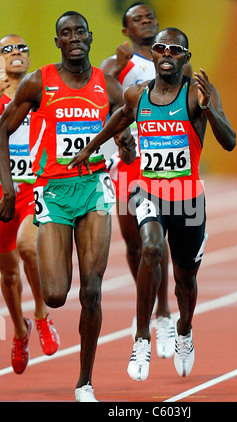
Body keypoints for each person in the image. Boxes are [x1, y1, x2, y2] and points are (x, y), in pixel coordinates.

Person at [68, 27, 236, 381]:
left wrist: (210, 110)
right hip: (149, 192)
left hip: (189, 200)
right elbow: (120, 117)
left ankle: (185, 329)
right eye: (161, 48)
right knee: (153, 248)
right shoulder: (137, 95)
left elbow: (231, 141)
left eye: (175, 50)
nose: (166, 54)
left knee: (185, 280)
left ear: (185, 59)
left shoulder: (196, 95)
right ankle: (142, 337)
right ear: (154, 55)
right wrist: (91, 146)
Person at [0, 12, 134, 401]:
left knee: (91, 290)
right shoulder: (39, 82)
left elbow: (123, 117)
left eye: (79, 31)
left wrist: (125, 141)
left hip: (93, 189)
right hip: (54, 193)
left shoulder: (105, 84)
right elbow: (3, 130)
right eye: (65, 33)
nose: (73, 37)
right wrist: (8, 188)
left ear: (90, 38)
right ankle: (38, 316)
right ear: (57, 42)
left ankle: (85, 381)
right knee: (57, 293)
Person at [100, 2, 192, 359]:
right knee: (135, 242)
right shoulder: (117, 64)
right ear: (125, 30)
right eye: (137, 19)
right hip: (127, 162)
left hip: (161, 161)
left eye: (149, 17)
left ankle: (165, 314)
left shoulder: (170, 58)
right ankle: (154, 308)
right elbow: (101, 97)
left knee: (158, 235)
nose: (146, 22)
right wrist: (118, 68)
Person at [0, 34, 60, 375]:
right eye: (7, 49)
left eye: (22, 47)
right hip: (1, 193)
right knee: (7, 273)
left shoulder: (40, 91)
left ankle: (40, 313)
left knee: (29, 248)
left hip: (33, 188)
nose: (16, 53)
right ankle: (19, 332)